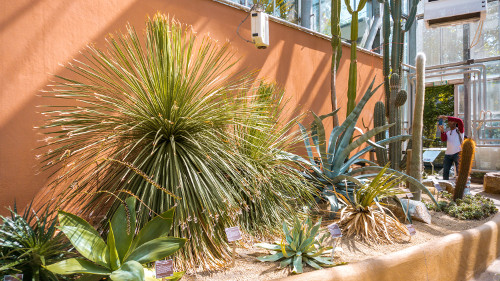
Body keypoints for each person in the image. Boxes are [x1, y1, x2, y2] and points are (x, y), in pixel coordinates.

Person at [438, 115, 464, 180]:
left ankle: (459, 186)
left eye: (451, 121)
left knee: (459, 171)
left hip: (457, 153)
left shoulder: (460, 131)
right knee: (445, 171)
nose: (449, 122)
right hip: (448, 154)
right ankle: (445, 186)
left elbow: (460, 121)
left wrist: (446, 117)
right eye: (449, 121)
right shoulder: (448, 132)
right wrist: (442, 131)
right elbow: (443, 139)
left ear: (455, 123)